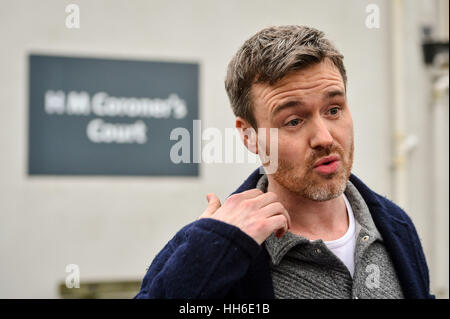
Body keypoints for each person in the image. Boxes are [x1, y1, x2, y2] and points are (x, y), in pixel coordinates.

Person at [134, 25, 433, 299]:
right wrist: (209, 252)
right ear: (249, 136)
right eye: (293, 121)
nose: (324, 138)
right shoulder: (219, 251)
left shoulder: (394, 226)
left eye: (333, 110)